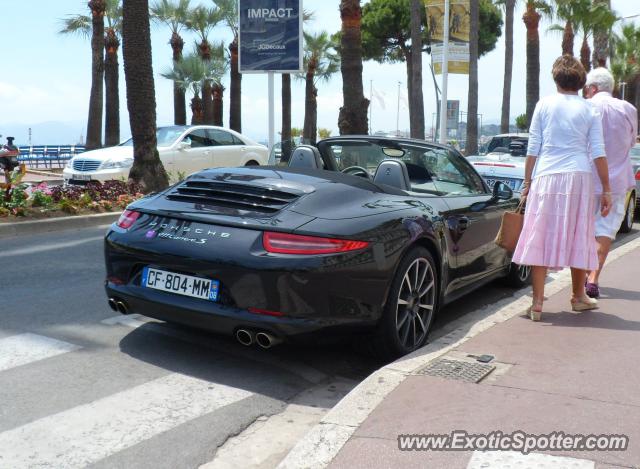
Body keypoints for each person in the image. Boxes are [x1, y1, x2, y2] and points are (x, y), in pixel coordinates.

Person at [512, 55, 612, 321]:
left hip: (547, 175)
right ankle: (578, 297)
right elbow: (598, 153)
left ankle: (537, 304)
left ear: (556, 78)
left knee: (540, 235)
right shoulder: (590, 109)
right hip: (579, 176)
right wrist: (607, 189)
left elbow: (533, 147)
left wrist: (527, 183)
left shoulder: (544, 105)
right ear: (580, 81)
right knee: (580, 233)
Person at [583, 68, 638, 298]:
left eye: (586, 89)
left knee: (584, 230)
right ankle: (593, 278)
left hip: (586, 178)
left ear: (593, 88)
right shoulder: (628, 109)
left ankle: (583, 276)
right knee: (605, 231)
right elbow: (632, 140)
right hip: (616, 182)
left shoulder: (586, 108)